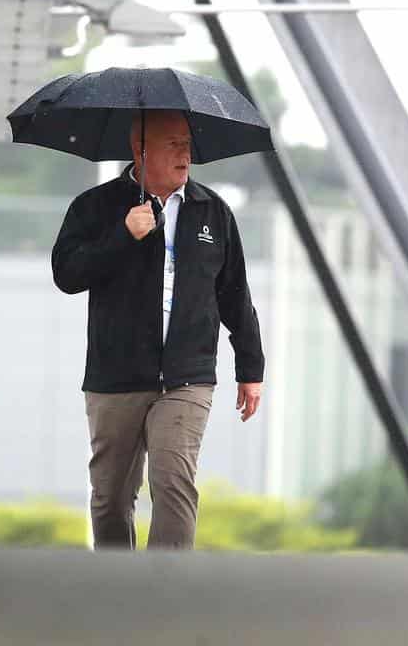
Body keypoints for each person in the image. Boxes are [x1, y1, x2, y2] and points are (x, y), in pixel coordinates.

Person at [52, 109, 265, 550]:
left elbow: (235, 294)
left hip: (188, 378)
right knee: (111, 499)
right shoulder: (96, 207)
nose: (185, 153)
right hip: (116, 377)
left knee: (173, 482)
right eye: (173, 143)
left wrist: (251, 367)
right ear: (139, 149)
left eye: (188, 143)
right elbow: (67, 275)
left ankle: (165, 593)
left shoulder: (213, 212)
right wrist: (122, 235)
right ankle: (119, 592)